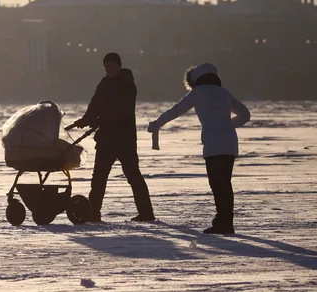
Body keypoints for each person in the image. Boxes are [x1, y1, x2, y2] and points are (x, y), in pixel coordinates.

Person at [147, 63, 250, 235]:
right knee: (225, 183)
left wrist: (157, 123)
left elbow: (176, 111)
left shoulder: (198, 93)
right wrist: (230, 125)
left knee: (217, 184)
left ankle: (223, 222)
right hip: (230, 143)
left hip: (213, 144)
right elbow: (245, 115)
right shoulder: (224, 93)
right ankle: (225, 221)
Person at [72, 52, 155, 223]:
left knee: (133, 176)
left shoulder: (127, 85)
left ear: (118, 66)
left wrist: (98, 120)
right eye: (105, 66)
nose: (107, 69)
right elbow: (94, 105)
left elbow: (121, 110)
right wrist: (86, 120)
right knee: (99, 177)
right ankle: (93, 213)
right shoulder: (103, 84)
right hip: (106, 139)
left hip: (124, 139)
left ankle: (146, 213)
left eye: (110, 66)